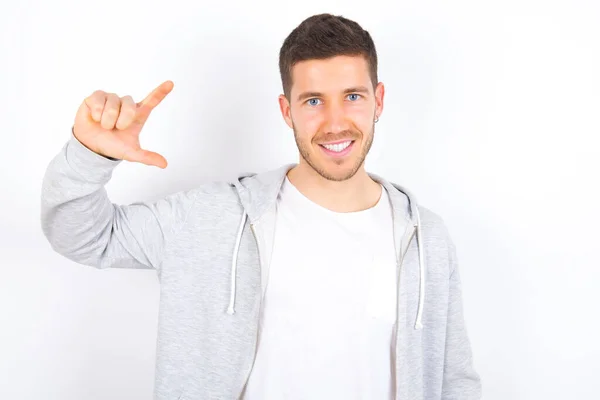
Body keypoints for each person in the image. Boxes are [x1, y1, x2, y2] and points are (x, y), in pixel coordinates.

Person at [41, 13, 481, 400]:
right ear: (286, 110)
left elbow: (453, 381)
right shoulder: (210, 218)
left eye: (352, 96)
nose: (334, 123)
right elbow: (85, 237)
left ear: (378, 100)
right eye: (313, 101)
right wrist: (90, 154)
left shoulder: (426, 238)